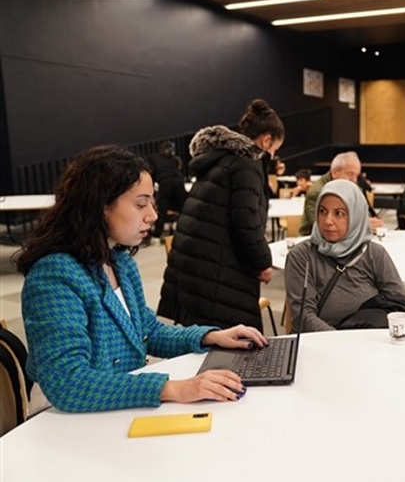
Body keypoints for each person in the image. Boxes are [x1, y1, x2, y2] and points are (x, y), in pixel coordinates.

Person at [14, 145, 267, 412]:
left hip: (116, 405)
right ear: (100, 205)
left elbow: (147, 331)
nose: (153, 215)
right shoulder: (54, 277)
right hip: (63, 417)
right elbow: (68, 382)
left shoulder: (119, 261)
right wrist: (173, 388)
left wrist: (209, 337)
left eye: (152, 202)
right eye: (140, 203)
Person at [158, 99, 285, 331]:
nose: (273, 155)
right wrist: (263, 263)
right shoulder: (247, 164)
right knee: (228, 351)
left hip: (192, 270)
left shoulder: (223, 159)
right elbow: (245, 224)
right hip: (213, 273)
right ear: (266, 140)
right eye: (275, 149)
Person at [285, 180, 405, 332]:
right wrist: (343, 344)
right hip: (320, 345)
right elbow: (303, 317)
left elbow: (400, 307)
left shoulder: (374, 254)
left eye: (339, 213)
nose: (328, 221)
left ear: (356, 217)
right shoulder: (301, 256)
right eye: (322, 211)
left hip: (371, 344)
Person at [298, 151, 383, 235]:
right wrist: (361, 226)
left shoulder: (353, 188)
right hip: (313, 242)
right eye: (350, 174)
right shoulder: (317, 192)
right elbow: (323, 226)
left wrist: (371, 223)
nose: (354, 180)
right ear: (335, 173)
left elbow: (364, 215)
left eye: (356, 175)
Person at [147, 140, 188, 239]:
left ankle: (157, 233)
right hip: (178, 181)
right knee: (184, 208)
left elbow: (152, 173)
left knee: (162, 209)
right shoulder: (175, 159)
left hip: (165, 183)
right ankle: (188, 230)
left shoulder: (154, 158)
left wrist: (150, 188)